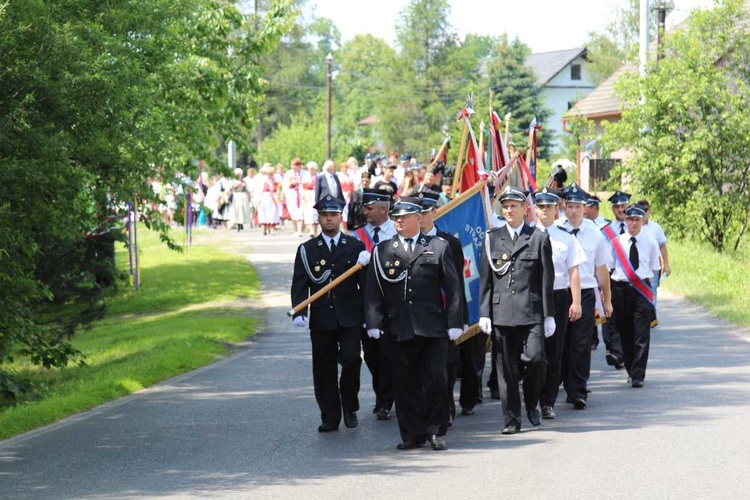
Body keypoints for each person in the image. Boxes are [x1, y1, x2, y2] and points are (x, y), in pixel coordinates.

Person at [365, 197, 464, 451]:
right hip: (399, 327)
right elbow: (374, 289)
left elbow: (453, 289)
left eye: (404, 217)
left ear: (418, 218)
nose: (398, 221)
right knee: (405, 383)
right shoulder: (383, 250)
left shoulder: (438, 246)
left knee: (435, 380)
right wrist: (373, 320)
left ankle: (436, 431)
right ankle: (412, 434)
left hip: (432, 327)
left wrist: (455, 321)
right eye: (396, 217)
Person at [290, 195, 371, 432]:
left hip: (350, 316)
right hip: (323, 317)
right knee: (323, 367)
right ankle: (329, 415)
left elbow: (365, 286)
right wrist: (299, 310)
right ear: (319, 218)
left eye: (333, 215)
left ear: (340, 217)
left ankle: (350, 405)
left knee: (351, 361)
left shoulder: (355, 247)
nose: (329, 219)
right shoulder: (307, 249)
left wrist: (370, 316)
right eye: (325, 215)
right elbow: (300, 283)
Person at [478, 186, 555, 434]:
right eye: (506, 206)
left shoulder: (538, 238)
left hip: (531, 311)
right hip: (501, 313)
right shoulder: (491, 238)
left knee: (536, 359)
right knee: (506, 370)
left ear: (525, 208)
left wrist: (549, 315)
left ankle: (531, 402)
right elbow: (486, 280)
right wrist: (484, 312)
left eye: (514, 206)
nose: (509, 210)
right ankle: (512, 419)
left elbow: (546, 280)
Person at [416, 190, 477, 424]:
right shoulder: (406, 243)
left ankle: (446, 402)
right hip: (420, 314)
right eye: (416, 212)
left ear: (434, 212)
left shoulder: (449, 242)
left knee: (448, 363)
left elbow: (457, 283)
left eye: (423, 212)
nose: (419, 217)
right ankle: (426, 407)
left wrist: (459, 317)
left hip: (444, 313)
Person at [532, 188, 586, 420]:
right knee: (534, 354)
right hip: (532, 299)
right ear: (535, 209)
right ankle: (532, 398)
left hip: (558, 297)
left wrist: (576, 301)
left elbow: (574, 271)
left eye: (549, 207)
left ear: (557, 210)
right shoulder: (526, 235)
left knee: (555, 352)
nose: (545, 210)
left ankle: (547, 402)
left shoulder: (566, 237)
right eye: (541, 206)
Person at [558, 184, 613, 409]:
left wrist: (607, 300)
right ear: (564, 207)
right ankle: (565, 383)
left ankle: (578, 390)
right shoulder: (555, 229)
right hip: (560, 293)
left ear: (585, 208)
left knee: (581, 343)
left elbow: (602, 269)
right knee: (561, 343)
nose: (572, 211)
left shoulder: (594, 233)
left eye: (577, 207)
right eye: (569, 206)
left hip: (586, 293)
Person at [350, 188, 396, 420]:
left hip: (393, 303)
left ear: (383, 208)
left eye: (369, 208)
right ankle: (383, 393)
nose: (365, 212)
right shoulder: (356, 237)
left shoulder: (398, 231)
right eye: (364, 208)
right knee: (371, 355)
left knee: (389, 354)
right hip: (366, 306)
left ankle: (385, 400)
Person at [609, 204, 661, 387]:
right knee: (626, 333)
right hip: (620, 289)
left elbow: (654, 269)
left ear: (643, 221)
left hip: (641, 291)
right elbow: (611, 267)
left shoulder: (651, 242)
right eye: (630, 219)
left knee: (641, 333)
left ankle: (638, 374)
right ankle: (631, 367)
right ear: (626, 220)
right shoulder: (616, 242)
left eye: (637, 220)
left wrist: (651, 293)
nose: (633, 223)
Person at [601, 190, 631, 369]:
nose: (620, 209)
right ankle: (617, 352)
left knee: (628, 321)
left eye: (623, 206)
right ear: (612, 209)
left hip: (633, 281)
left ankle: (625, 354)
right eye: (617, 206)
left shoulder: (636, 226)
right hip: (613, 279)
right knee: (613, 318)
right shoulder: (606, 231)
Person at [636, 199, 671, 309]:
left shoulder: (656, 228)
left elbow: (662, 246)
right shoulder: (634, 226)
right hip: (638, 264)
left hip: (653, 265)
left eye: (644, 210)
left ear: (649, 211)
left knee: (652, 289)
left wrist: (666, 264)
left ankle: (651, 317)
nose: (643, 213)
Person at [283, 158, 304, 236]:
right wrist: (291, 183)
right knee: (293, 212)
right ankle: (295, 229)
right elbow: (285, 186)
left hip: (301, 195)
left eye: (296, 165)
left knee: (300, 212)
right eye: (293, 165)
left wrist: (300, 183)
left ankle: (299, 230)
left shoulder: (304, 173)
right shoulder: (288, 173)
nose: (294, 167)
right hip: (291, 194)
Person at [229, 167, 250, 231]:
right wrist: (235, 186)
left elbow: (247, 190)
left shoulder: (244, 182)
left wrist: (249, 196)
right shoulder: (233, 181)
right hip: (236, 196)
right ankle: (238, 224)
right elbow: (229, 189)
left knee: (242, 210)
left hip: (243, 196)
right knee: (237, 210)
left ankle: (241, 223)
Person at [301, 162, 319, 237]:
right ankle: (311, 229)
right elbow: (303, 187)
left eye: (312, 169)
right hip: (308, 195)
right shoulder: (305, 176)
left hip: (316, 194)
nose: (311, 170)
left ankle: (315, 230)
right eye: (309, 169)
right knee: (309, 212)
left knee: (316, 212)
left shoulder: (319, 176)